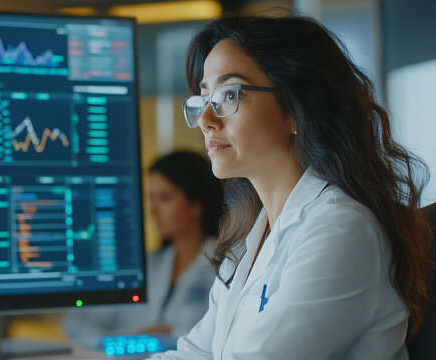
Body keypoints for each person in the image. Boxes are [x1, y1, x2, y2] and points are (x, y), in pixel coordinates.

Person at [150, 14, 434, 360]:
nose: (207, 121)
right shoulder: (248, 236)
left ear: (296, 110)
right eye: (203, 99)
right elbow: (196, 352)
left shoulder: (341, 228)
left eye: (228, 94)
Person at [63, 151, 225, 350]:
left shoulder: (225, 264)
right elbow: (76, 325)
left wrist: (159, 337)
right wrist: (137, 338)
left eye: (165, 199)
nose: (152, 210)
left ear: (196, 205)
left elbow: (206, 338)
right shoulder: (146, 266)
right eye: (151, 199)